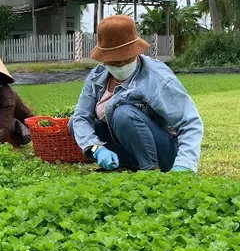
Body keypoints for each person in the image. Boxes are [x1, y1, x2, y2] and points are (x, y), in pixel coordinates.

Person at [68, 15, 204, 173]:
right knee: (73, 122)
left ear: (135, 52)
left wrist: (185, 164)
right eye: (113, 61)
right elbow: (80, 117)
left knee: (124, 114)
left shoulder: (157, 78)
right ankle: (128, 165)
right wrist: (96, 149)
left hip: (164, 151)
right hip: (126, 147)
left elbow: (190, 122)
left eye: (125, 59)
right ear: (104, 59)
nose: (120, 65)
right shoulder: (97, 76)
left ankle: (150, 170)